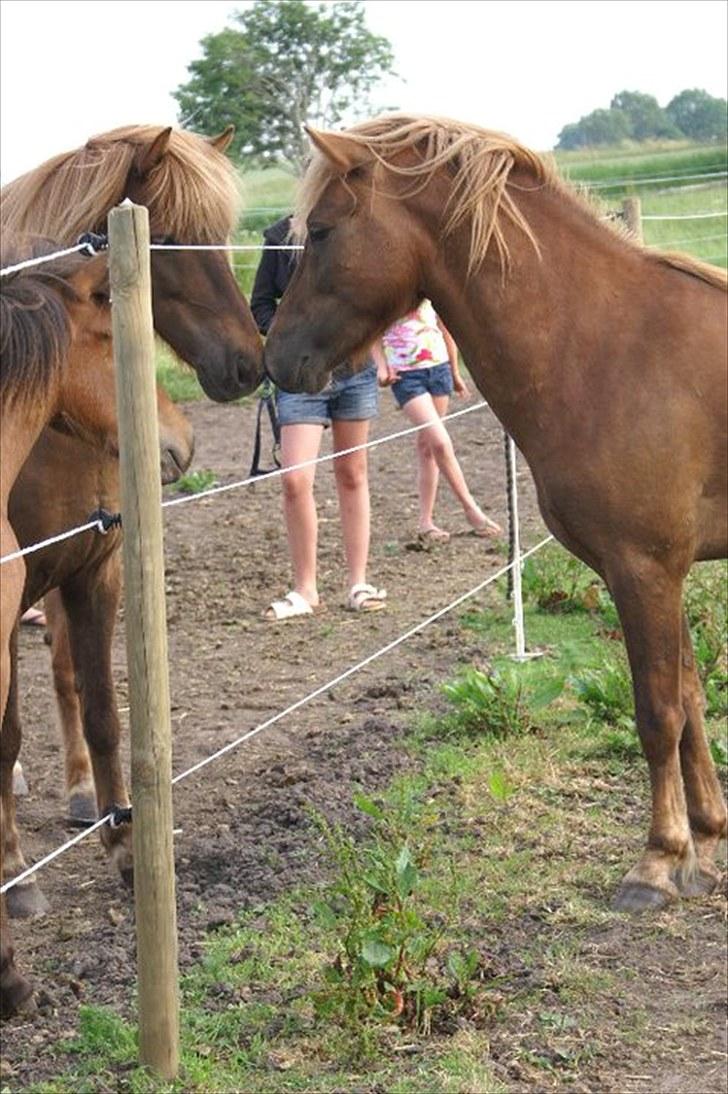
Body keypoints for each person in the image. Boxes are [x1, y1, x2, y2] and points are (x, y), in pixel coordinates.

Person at [251, 216, 386, 620]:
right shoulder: (278, 237)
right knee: (295, 479)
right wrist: (292, 334)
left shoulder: (356, 232)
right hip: (298, 373)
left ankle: (358, 582)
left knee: (352, 472)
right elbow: (259, 304)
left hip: (353, 370)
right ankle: (305, 589)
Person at [371, 299, 502, 545]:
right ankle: (471, 509)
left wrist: (454, 373)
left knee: (428, 447)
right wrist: (381, 367)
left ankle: (425, 521)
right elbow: (372, 334)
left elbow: (444, 328)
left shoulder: (425, 294)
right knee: (440, 442)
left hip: (437, 368)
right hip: (406, 375)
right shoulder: (386, 296)